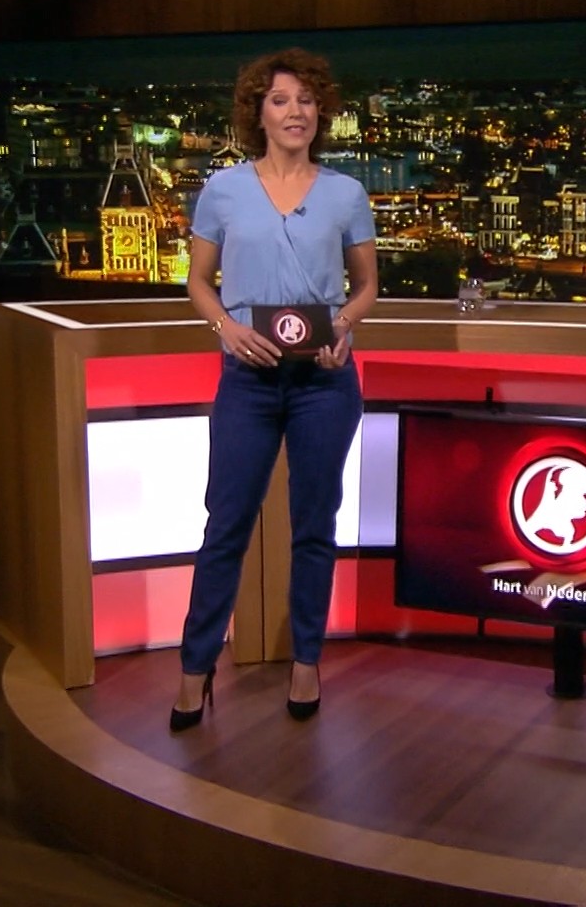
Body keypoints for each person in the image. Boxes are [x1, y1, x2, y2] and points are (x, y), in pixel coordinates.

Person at [172, 48, 378, 731]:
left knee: (315, 525)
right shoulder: (223, 189)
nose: (296, 112)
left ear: (322, 112)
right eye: (281, 100)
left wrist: (343, 326)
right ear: (256, 113)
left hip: (324, 380)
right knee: (225, 524)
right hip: (248, 381)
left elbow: (366, 286)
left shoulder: (346, 193)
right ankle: (195, 669)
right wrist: (226, 329)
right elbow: (199, 282)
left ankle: (306, 660)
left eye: (307, 101)